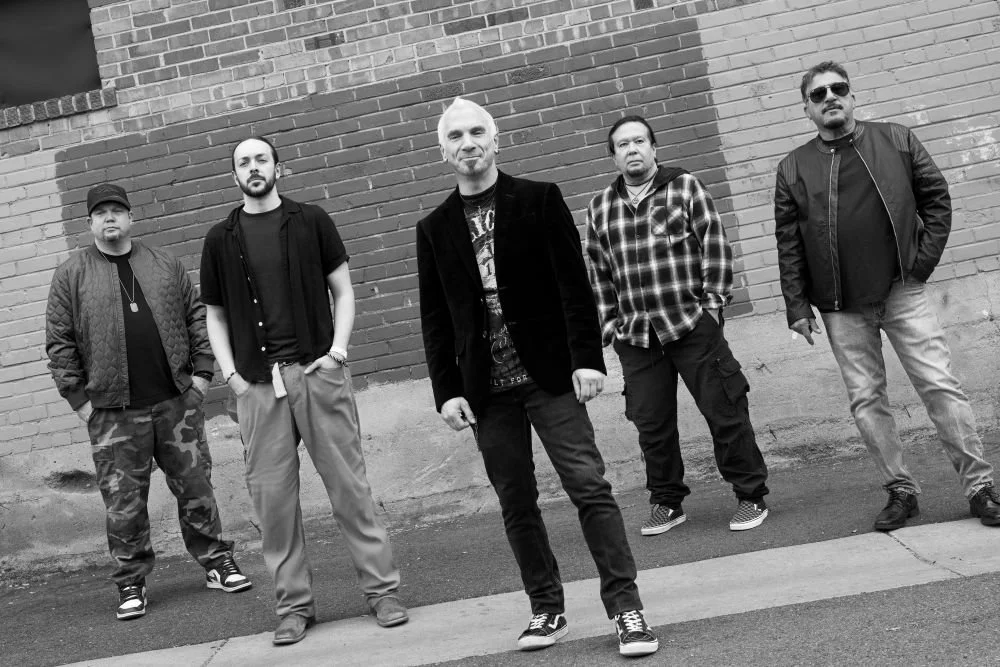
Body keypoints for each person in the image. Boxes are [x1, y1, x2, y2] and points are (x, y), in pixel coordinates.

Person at [416, 97, 658, 658]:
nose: (468, 143)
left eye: (477, 132)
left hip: (549, 376)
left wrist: (587, 359)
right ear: (443, 150)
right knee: (516, 502)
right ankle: (546, 609)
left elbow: (574, 284)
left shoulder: (539, 198)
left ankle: (627, 610)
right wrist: (446, 391)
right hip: (486, 390)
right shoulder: (433, 228)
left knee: (589, 488)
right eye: (456, 136)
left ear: (495, 140)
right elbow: (436, 318)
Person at [773, 61, 1000, 531]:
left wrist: (920, 265)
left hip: (902, 291)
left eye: (838, 89)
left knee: (938, 385)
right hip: (841, 306)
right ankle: (901, 492)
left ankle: (979, 488)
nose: (830, 97)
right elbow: (788, 242)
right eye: (818, 94)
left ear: (852, 97)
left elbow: (937, 199)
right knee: (866, 400)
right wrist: (796, 305)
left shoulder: (897, 139)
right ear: (807, 109)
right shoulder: (792, 167)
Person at [199, 136, 407, 646]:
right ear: (233, 175)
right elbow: (215, 315)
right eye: (243, 162)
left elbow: (344, 291)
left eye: (261, 159)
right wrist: (231, 376)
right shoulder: (220, 238)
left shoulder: (311, 221)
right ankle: (293, 607)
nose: (253, 167)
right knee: (273, 505)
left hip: (317, 373)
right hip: (257, 386)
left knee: (350, 489)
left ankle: (382, 592)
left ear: (279, 168)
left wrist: (337, 352)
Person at [45, 183, 251, 621]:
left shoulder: (164, 264)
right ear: (90, 223)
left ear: (131, 218)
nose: (110, 218)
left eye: (117, 210)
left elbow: (197, 317)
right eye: (101, 213)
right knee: (124, 505)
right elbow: (59, 342)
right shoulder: (71, 274)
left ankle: (217, 562)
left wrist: (201, 376)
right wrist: (80, 401)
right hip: (112, 412)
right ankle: (131, 582)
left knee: (196, 488)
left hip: (176, 402)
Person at [585, 115, 770, 537]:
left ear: (654, 148)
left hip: (690, 326)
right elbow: (598, 272)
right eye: (622, 145)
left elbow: (715, 243)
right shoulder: (600, 207)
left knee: (724, 411)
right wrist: (610, 324)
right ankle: (667, 503)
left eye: (639, 141)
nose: (632, 149)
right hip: (636, 336)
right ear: (613, 156)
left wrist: (713, 307)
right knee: (652, 426)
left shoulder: (684, 187)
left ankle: (750, 495)